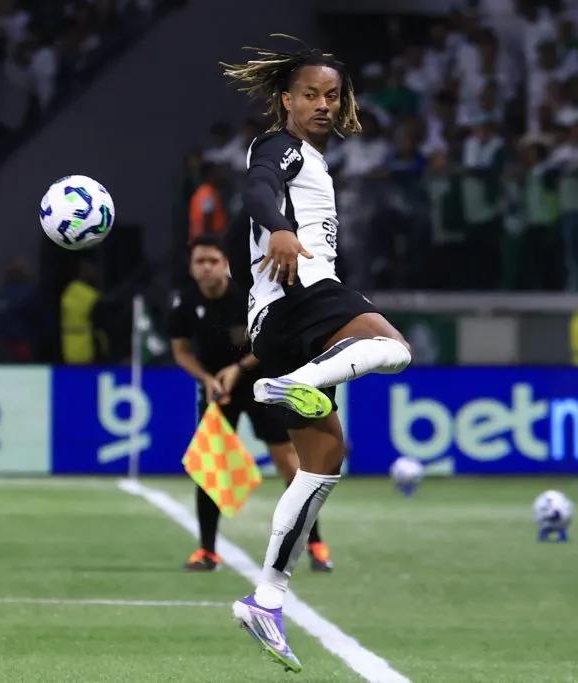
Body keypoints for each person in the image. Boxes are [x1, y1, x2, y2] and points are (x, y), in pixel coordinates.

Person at [218, 35, 413, 673]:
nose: (323, 104)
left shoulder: (314, 161)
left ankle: (267, 598)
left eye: (332, 95)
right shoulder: (281, 147)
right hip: (301, 300)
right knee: (392, 347)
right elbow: (256, 189)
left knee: (325, 459)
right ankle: (287, 383)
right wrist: (277, 227)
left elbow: (246, 214)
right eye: (310, 94)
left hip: (276, 322)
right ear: (287, 100)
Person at [167, 235, 332, 574]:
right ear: (191, 267)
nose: (207, 267)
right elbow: (181, 351)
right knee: (210, 467)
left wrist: (237, 369)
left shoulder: (247, 295)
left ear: (225, 264)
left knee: (289, 463)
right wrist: (207, 379)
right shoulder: (184, 304)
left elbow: (272, 340)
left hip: (262, 383)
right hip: (218, 389)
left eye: (213, 260)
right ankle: (208, 551)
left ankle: (315, 543)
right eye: (200, 261)